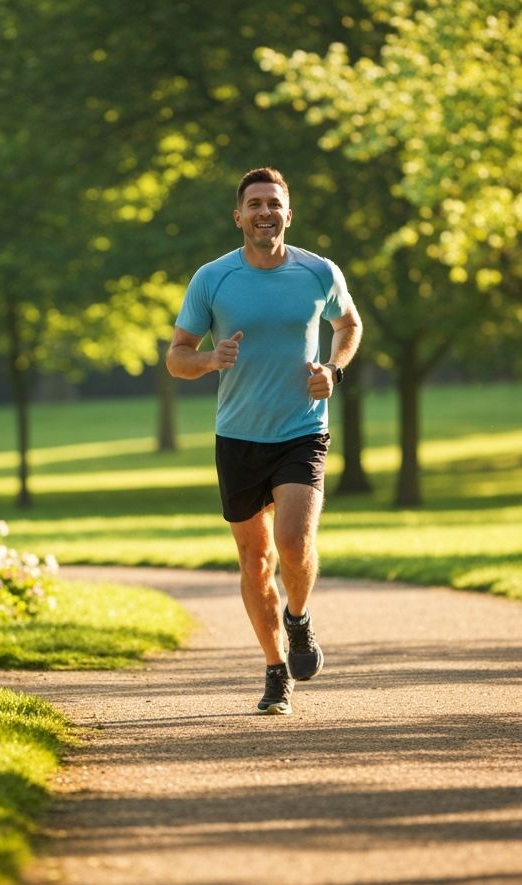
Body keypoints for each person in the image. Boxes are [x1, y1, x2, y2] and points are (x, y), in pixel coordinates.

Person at [167, 167, 362, 716]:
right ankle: (277, 670)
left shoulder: (318, 272)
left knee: (294, 543)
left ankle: (298, 618)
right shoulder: (213, 279)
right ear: (239, 216)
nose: (264, 213)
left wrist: (333, 370)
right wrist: (210, 359)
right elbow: (177, 356)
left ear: (288, 214)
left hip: (302, 429)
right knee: (255, 561)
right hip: (238, 437)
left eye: (273, 204)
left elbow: (349, 325)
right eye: (254, 204)